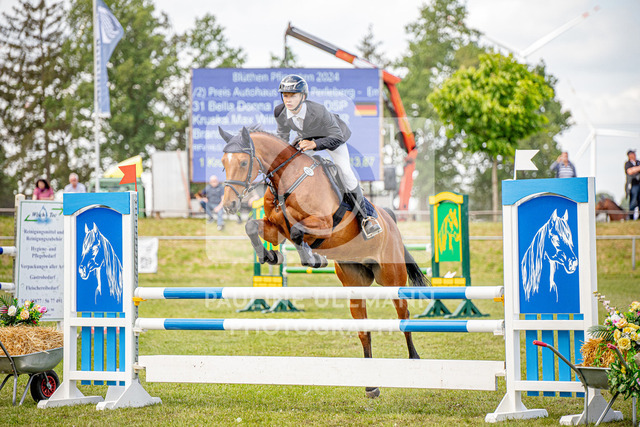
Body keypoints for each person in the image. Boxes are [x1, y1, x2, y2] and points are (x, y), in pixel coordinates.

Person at [274, 74, 382, 240]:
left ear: (303, 96)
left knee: (345, 172)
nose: (288, 100)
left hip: (333, 139)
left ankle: (366, 218)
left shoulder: (318, 110)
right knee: (291, 166)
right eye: (285, 95)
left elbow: (336, 137)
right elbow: (282, 136)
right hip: (307, 139)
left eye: (293, 96)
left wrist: (314, 144)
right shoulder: (280, 112)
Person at [625, 149, 640, 220]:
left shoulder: (638, 162)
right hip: (633, 185)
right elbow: (630, 171)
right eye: (633, 154)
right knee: (633, 202)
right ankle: (631, 217)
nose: (634, 155)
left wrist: (636, 169)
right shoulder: (627, 164)